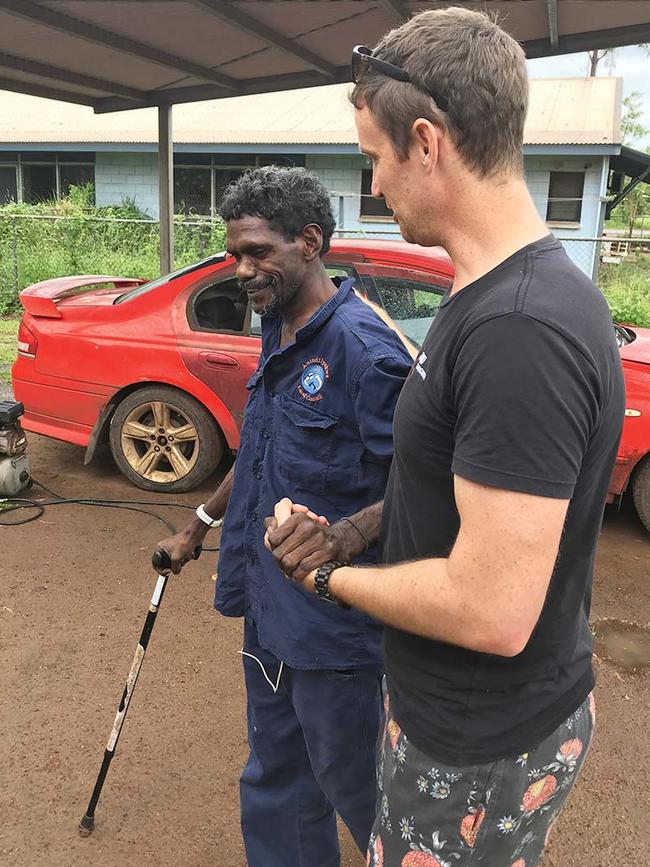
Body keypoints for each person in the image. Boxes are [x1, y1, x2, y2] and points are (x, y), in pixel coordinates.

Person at [265, 8, 625, 866]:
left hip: (477, 736)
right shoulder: (490, 292)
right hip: (462, 711)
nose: (376, 187)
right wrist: (357, 526)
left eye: (375, 161)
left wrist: (330, 573)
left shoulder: (518, 330)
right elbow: (451, 487)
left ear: (426, 143)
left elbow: (490, 609)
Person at [155, 165, 413, 867]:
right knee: (276, 776)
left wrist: (347, 534)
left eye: (257, 251)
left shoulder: (365, 351)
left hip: (336, 635)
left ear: (309, 241)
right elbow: (263, 450)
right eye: (235, 252)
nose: (242, 268)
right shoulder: (277, 324)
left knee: (360, 785)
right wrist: (199, 525)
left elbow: (429, 486)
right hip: (268, 608)